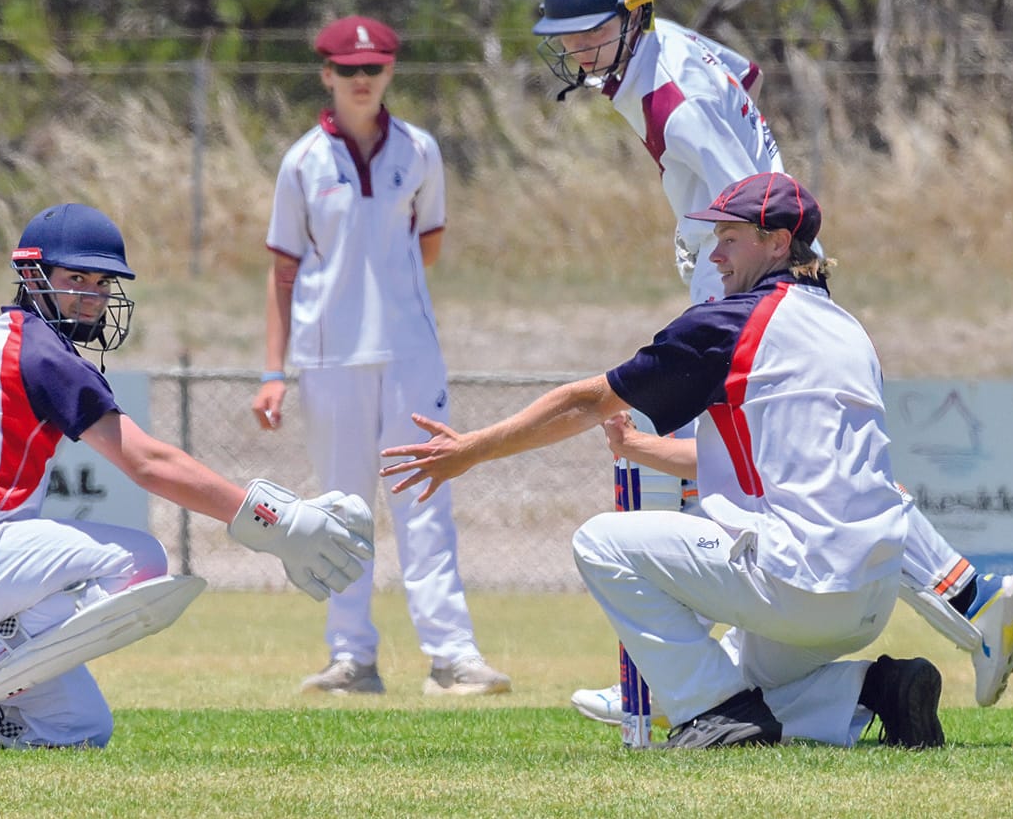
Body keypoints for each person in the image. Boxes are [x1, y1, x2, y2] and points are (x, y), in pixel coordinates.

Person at [530, 0, 1013, 722]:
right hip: (765, 259)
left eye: (589, 34)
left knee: (752, 467)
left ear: (631, 22)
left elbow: (753, 207)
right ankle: (971, 595)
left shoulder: (678, 106)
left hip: (757, 270)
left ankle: (661, 677)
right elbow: (746, 75)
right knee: (803, 469)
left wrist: (711, 244)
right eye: (565, 37)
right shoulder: (673, 46)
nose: (575, 51)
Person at [0, 202, 375, 750]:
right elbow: (149, 463)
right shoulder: (40, 353)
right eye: (76, 279)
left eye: (101, 284)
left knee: (79, 728)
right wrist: (275, 522)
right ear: (33, 274)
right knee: (139, 561)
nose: (91, 295)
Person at [382, 173, 944, 749]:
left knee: (602, 543)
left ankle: (715, 715)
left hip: (801, 582)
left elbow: (585, 402)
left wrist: (470, 450)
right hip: (872, 593)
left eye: (730, 236)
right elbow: (764, 461)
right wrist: (640, 449)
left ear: (778, 243)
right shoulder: (845, 329)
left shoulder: (735, 321)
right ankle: (879, 688)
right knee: (745, 675)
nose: (716, 255)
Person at [249, 15, 510, 697]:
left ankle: (453, 657)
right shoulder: (302, 162)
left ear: (391, 72)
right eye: (349, 70)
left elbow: (427, 245)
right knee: (340, 508)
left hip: (409, 355)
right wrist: (274, 372)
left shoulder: (419, 151)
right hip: (329, 358)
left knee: (426, 498)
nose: (363, 81)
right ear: (326, 74)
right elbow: (282, 273)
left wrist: (391, 303)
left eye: (376, 69)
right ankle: (351, 660)